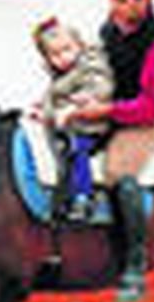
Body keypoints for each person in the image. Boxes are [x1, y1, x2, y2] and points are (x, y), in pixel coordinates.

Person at [68, 0, 154, 302]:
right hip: (108, 112)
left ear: (143, 0)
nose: (113, 8)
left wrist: (103, 110)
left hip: (141, 123)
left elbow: (152, 107)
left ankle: (135, 264)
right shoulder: (110, 30)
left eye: (121, 0)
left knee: (118, 174)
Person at [30, 15, 114, 224]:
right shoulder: (60, 75)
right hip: (72, 125)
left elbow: (102, 86)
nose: (63, 58)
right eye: (55, 55)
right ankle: (60, 194)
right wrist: (42, 108)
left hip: (94, 125)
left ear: (80, 45)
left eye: (67, 50)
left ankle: (83, 197)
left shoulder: (90, 65)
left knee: (78, 150)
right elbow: (54, 97)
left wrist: (81, 103)